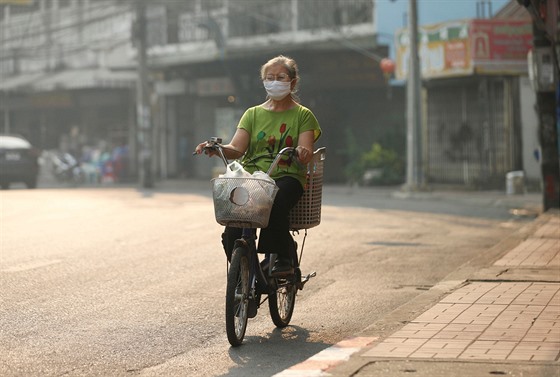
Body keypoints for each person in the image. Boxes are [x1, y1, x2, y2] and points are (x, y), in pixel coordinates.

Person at [195, 55, 322, 275]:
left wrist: (303, 152)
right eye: (269, 77)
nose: (274, 81)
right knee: (232, 231)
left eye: (280, 77)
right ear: (263, 81)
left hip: (287, 176)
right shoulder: (252, 114)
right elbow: (237, 149)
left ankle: (284, 255)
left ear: (292, 82)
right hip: (253, 179)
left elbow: (305, 151)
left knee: (275, 202)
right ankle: (247, 274)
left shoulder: (303, 115)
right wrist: (217, 149)